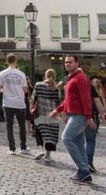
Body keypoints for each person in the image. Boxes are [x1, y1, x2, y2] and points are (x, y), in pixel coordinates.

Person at [50, 55, 95, 184]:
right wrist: (57, 110)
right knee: (79, 143)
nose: (67, 64)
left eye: (70, 62)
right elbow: (68, 100)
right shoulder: (72, 79)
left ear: (77, 63)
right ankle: (84, 171)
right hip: (73, 115)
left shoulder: (80, 79)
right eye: (65, 62)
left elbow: (86, 99)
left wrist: (88, 116)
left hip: (79, 115)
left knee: (67, 138)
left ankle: (83, 170)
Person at [0, 54, 29, 155]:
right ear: (16, 61)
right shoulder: (21, 74)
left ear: (7, 61)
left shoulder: (2, 73)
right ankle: (23, 147)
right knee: (21, 125)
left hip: (8, 102)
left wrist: (3, 90)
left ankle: (12, 148)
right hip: (19, 103)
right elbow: (25, 90)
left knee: (9, 126)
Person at [31, 69, 60, 162]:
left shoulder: (38, 85)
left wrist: (31, 109)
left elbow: (33, 99)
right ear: (54, 76)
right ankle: (47, 156)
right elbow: (58, 102)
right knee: (51, 135)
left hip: (40, 113)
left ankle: (40, 150)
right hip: (52, 115)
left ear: (45, 75)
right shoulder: (56, 88)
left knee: (39, 132)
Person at [85, 78, 105, 174]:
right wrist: (102, 115)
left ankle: (83, 163)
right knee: (90, 140)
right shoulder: (90, 86)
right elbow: (97, 101)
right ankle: (88, 162)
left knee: (78, 140)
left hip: (77, 116)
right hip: (90, 116)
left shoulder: (72, 84)